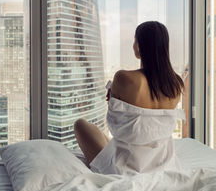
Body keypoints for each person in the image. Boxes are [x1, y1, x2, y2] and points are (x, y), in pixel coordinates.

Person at [74, 21, 185, 174]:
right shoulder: (176, 84)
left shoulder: (124, 78)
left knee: (80, 125)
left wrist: (113, 94)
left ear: (140, 46)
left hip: (124, 168)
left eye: (135, 40)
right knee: (111, 142)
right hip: (163, 164)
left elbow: (116, 127)